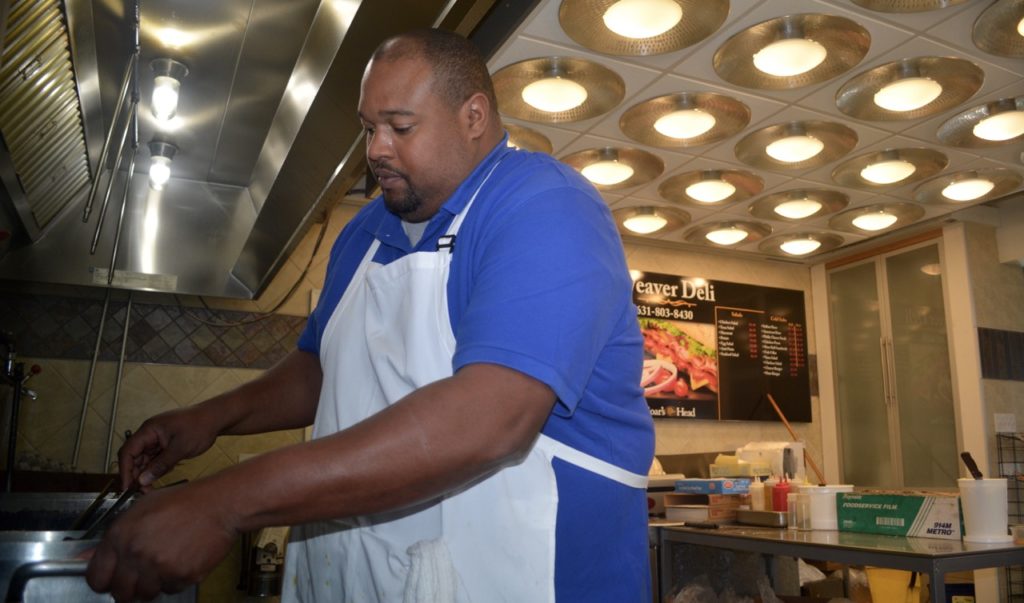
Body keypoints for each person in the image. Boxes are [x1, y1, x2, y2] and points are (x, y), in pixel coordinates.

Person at [85, 28, 654, 602]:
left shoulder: (544, 205)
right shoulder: (365, 233)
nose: (376, 149)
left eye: (400, 127)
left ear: (474, 116)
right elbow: (324, 365)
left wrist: (223, 502)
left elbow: (490, 421)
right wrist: (209, 419)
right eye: (368, 128)